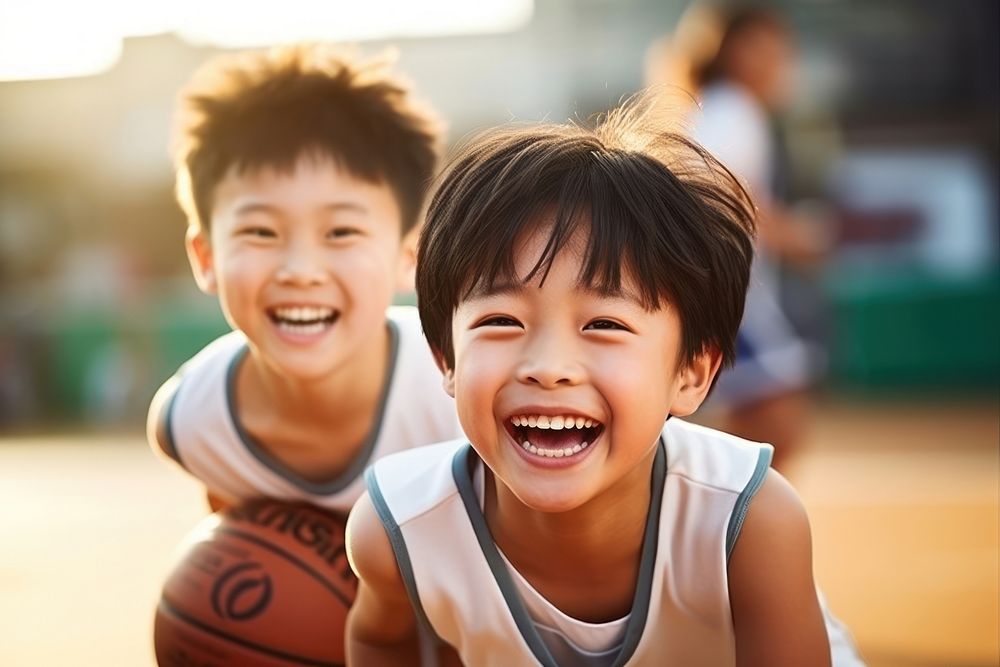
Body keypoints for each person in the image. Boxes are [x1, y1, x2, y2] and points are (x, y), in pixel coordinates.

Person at [345, 98, 861, 666]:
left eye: (604, 324)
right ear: (445, 357)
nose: (548, 365)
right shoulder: (398, 528)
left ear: (691, 374)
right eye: (501, 321)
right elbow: (379, 640)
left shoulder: (747, 521)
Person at [146, 44, 462, 514]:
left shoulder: (458, 398)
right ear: (206, 257)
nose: (301, 271)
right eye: (260, 232)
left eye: (341, 232)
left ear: (408, 257)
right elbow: (240, 551)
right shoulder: (192, 422)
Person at [665, 5, 830, 470]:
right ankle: (708, 515)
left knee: (751, 427)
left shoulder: (722, 106)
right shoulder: (732, 108)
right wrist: (793, 233)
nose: (780, 61)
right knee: (777, 424)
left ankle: (709, 521)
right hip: (731, 290)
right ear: (734, 52)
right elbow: (719, 192)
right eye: (766, 48)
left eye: (782, 49)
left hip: (726, 286)